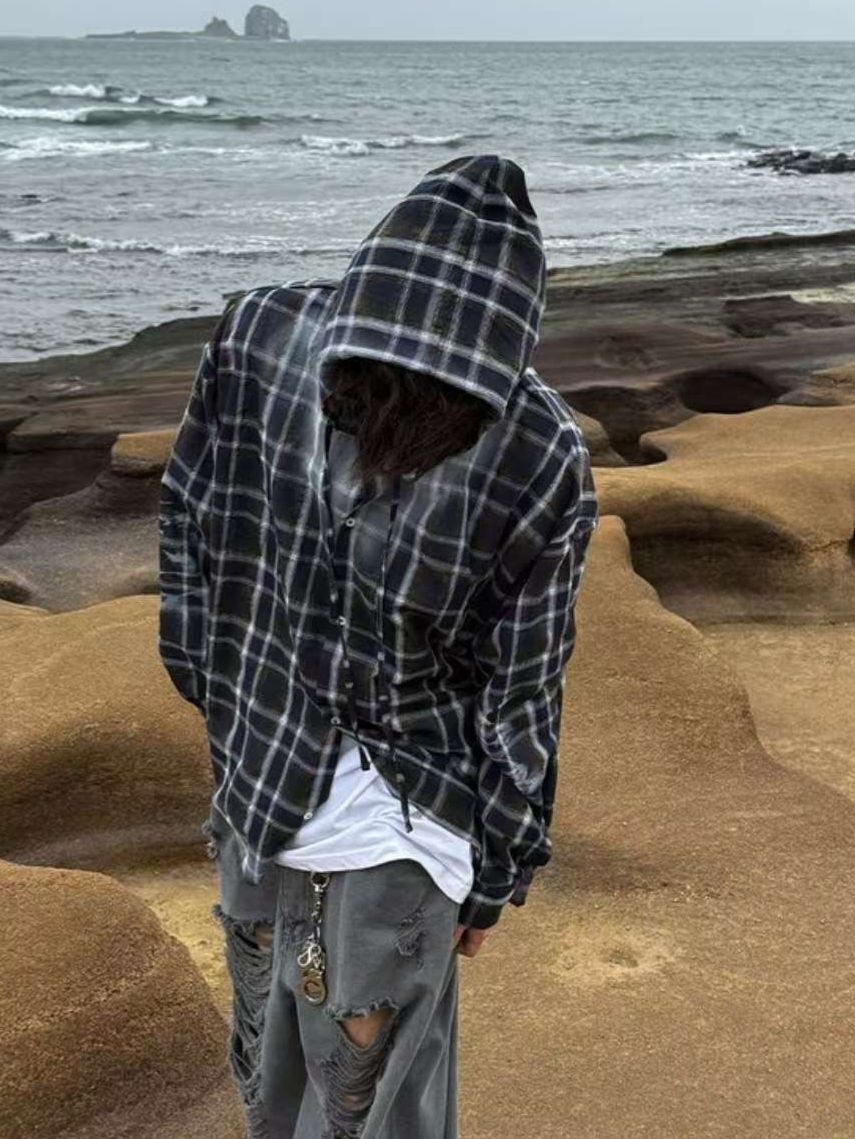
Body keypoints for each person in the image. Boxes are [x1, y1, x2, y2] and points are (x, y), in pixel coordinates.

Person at [158, 153, 598, 1139]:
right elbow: (522, 697)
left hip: (347, 808)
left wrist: (222, 697)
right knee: (331, 1096)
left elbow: (186, 525)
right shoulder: (536, 444)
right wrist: (500, 867)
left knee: (314, 1091)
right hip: (308, 798)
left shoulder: (261, 334)